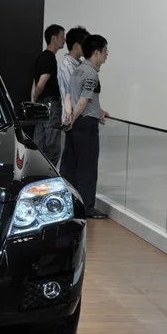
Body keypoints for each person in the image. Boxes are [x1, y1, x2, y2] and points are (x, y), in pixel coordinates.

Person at [60, 34, 110, 219]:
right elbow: (83, 102)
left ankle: (70, 204)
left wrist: (69, 119)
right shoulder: (91, 73)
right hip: (84, 123)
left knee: (71, 165)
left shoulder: (78, 69)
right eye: (105, 51)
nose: (106, 55)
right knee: (87, 167)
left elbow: (69, 96)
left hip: (75, 121)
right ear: (96, 52)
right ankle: (87, 207)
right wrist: (74, 120)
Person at [30, 24, 65, 166]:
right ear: (53, 38)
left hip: (42, 105)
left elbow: (35, 83)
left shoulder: (41, 57)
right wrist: (37, 95)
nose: (64, 40)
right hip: (50, 104)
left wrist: (34, 100)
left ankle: (38, 171)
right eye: (62, 36)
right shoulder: (49, 58)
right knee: (53, 146)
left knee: (39, 142)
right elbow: (40, 83)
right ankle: (48, 175)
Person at [58, 26, 90, 127]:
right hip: (73, 119)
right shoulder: (67, 66)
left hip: (81, 117)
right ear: (76, 46)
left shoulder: (80, 64)